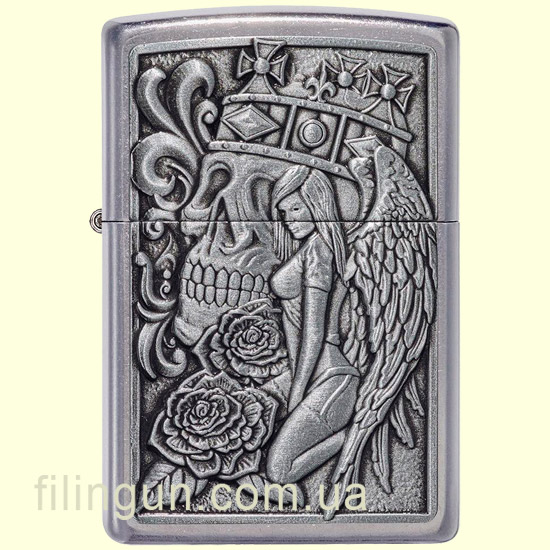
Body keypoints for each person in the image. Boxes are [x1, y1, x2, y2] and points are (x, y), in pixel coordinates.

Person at [266, 165, 360, 485]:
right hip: (316, 380)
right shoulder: (311, 247)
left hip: (329, 382)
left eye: (296, 208)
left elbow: (314, 332)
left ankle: (361, 434)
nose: (288, 219)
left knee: (279, 471)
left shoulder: (319, 250)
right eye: (284, 212)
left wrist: (296, 395)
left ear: (316, 204)